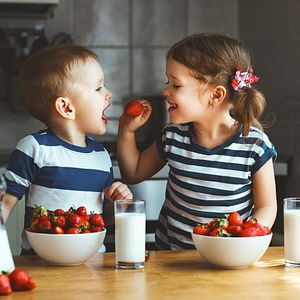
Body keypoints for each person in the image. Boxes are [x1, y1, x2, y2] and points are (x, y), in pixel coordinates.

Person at [117, 33, 277, 250]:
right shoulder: (173, 137)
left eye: (176, 85)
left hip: (227, 259)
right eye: (168, 82)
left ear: (216, 95)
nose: (166, 91)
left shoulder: (255, 146)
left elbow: (267, 207)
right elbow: (132, 173)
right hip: (171, 261)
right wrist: (126, 131)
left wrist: (246, 240)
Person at [1, 45, 132, 254]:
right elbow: (5, 205)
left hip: (92, 266)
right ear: (66, 108)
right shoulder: (35, 148)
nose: (109, 94)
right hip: (42, 266)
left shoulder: (101, 156)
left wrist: (119, 204)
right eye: (98, 88)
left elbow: (102, 219)